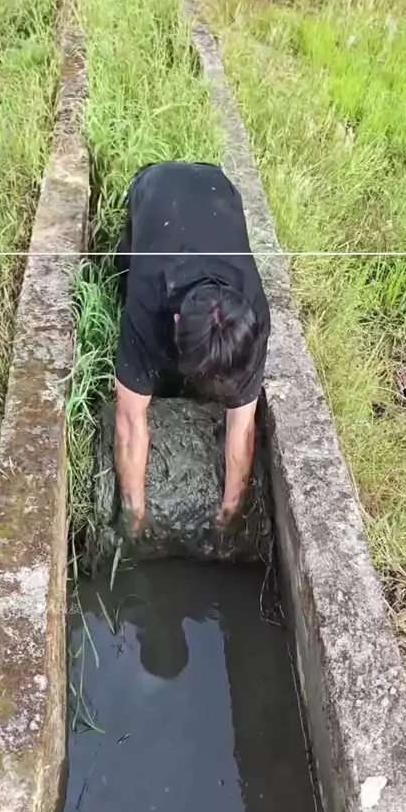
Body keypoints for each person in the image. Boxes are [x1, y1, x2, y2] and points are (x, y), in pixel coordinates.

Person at [114, 161, 270, 536]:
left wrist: (230, 514)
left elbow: (243, 427)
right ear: (176, 322)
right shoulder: (147, 300)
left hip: (217, 184)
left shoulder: (252, 318)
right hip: (155, 184)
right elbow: (130, 423)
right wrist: (134, 518)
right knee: (122, 269)